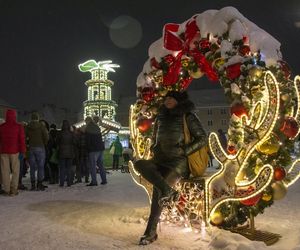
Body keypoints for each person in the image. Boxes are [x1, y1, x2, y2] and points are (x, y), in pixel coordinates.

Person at [134, 91, 207, 245]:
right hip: (159, 159)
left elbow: (202, 138)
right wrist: (154, 147)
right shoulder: (160, 117)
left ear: (178, 101)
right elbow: (155, 137)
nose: (167, 100)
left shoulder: (187, 116)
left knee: (158, 190)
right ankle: (169, 190)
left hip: (178, 162)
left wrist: (185, 151)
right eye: (166, 98)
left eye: (171, 98)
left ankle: (150, 232)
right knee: (139, 164)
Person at [0, 109, 26, 196]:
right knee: (15, 171)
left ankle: (6, 189)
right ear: (15, 116)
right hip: (15, 151)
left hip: (3, 151)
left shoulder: (2, 127)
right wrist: (23, 151)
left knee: (5, 171)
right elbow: (22, 140)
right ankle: (14, 190)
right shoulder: (19, 126)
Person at [26, 112, 49, 191]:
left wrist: (28, 144)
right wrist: (44, 143)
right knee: (40, 166)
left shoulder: (28, 126)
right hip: (40, 147)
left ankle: (33, 185)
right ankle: (39, 184)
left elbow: (25, 136)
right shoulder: (41, 126)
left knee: (32, 167)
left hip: (31, 148)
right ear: (38, 118)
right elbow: (46, 136)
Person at [85, 116, 106, 186]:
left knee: (93, 166)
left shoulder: (88, 128)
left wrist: (87, 149)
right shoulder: (97, 127)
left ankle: (94, 181)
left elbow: (87, 140)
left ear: (87, 121)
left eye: (86, 122)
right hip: (100, 148)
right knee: (101, 165)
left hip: (93, 149)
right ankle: (104, 180)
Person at [57, 120, 75, 187]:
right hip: (70, 152)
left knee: (62, 168)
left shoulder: (60, 133)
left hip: (62, 152)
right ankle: (69, 182)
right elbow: (74, 142)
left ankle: (61, 183)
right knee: (69, 168)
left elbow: (57, 142)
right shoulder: (71, 133)